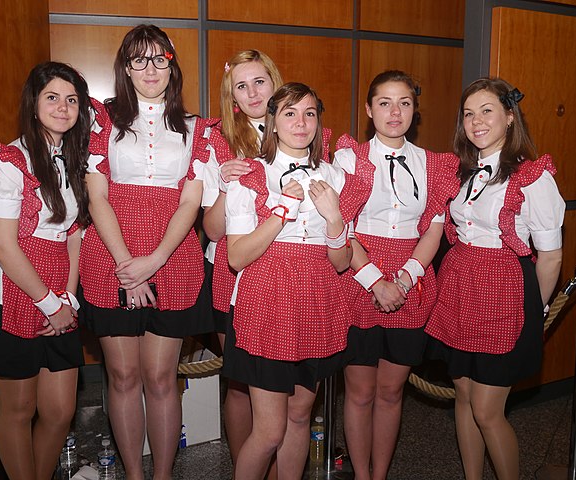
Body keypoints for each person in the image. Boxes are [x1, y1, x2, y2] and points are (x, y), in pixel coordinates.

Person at [79, 24, 209, 479]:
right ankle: (134, 473)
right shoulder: (101, 122)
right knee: (123, 377)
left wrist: (152, 263)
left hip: (171, 257)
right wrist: (126, 267)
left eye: (160, 58)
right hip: (110, 256)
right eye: (139, 59)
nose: (150, 68)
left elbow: (190, 202)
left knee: (159, 377)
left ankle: (163, 474)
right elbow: (97, 198)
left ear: (172, 66)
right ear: (125, 68)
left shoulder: (197, 129)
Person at [424, 77, 565, 479]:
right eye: (468, 114)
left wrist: (531, 310)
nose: (476, 121)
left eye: (487, 111)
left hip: (506, 291)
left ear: (509, 116)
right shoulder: (465, 173)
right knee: (464, 397)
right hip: (461, 286)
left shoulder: (533, 178)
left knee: (488, 410)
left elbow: (551, 256)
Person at [223, 82, 364, 480]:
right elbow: (237, 256)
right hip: (267, 299)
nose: (300, 122)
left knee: (301, 417)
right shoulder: (251, 175)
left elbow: (340, 263)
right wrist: (282, 209)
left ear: (319, 123)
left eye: (309, 113)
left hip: (317, 298)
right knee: (269, 431)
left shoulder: (335, 175)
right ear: (272, 122)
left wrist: (335, 219)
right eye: (289, 113)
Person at [0, 61, 91, 480]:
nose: (63, 107)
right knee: (19, 409)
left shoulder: (73, 160)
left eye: (71, 100)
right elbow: (4, 245)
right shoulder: (8, 161)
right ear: (34, 104)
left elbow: (73, 234)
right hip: (7, 291)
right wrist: (49, 303)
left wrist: (67, 298)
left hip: (57, 291)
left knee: (59, 410)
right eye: (52, 97)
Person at [333, 70, 459, 479]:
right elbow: (338, 226)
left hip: (413, 276)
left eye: (404, 103)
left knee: (390, 391)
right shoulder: (348, 159)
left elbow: (434, 229)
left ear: (414, 111)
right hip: (357, 273)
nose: (395, 111)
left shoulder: (434, 164)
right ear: (369, 110)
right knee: (360, 391)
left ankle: (380, 475)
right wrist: (374, 278)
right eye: (384, 103)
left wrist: (403, 279)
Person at [192, 49, 283, 473]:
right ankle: (245, 465)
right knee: (243, 382)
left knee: (290, 388)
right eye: (240, 86)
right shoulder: (218, 142)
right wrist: (227, 185)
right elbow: (211, 230)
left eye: (259, 82)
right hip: (234, 271)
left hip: (292, 270)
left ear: (274, 82)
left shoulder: (302, 129)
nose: (252, 93)